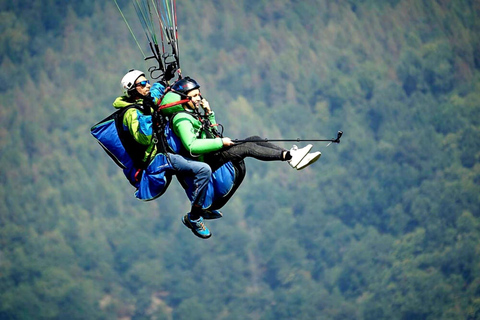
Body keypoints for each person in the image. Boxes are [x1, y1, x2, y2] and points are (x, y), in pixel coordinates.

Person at [159, 77, 321, 235]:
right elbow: (192, 146)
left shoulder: (193, 114)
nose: (198, 98)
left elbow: (212, 134)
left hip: (212, 158)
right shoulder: (182, 119)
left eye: (199, 94)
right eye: (194, 96)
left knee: (255, 139)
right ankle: (291, 156)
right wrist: (221, 143)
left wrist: (209, 113)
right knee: (247, 148)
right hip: (208, 164)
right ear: (183, 99)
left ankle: (292, 157)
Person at [114, 70, 216, 239]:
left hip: (165, 149)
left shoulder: (144, 99)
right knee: (202, 169)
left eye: (146, 81)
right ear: (133, 89)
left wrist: (165, 79)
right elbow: (143, 139)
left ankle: (203, 203)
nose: (147, 85)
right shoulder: (130, 113)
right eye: (142, 84)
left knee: (200, 155)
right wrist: (147, 114)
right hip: (156, 159)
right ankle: (195, 217)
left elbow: (154, 92)